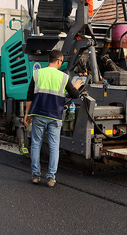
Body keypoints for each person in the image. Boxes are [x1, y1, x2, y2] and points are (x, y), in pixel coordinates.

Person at [24, 50, 83, 187]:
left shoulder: (37, 74)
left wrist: (27, 114)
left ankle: (36, 175)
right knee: (54, 146)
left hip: (38, 114)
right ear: (58, 61)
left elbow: (29, 96)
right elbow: (75, 95)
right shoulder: (63, 77)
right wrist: (76, 87)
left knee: (36, 144)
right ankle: (51, 178)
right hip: (55, 116)